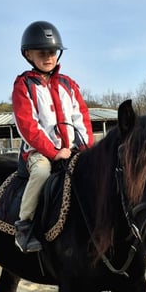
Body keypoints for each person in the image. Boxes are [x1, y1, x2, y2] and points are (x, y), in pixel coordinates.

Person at [12, 20, 94, 252]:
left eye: (52, 52)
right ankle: (25, 223)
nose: (48, 57)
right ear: (28, 54)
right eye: (42, 53)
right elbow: (27, 125)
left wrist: (86, 148)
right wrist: (53, 152)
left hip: (72, 149)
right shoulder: (24, 85)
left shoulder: (69, 84)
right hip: (39, 152)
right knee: (41, 173)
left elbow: (81, 117)